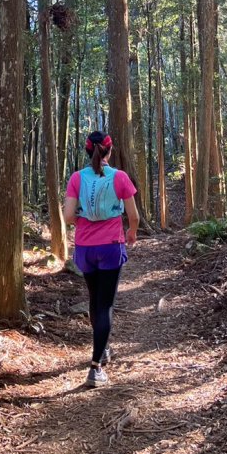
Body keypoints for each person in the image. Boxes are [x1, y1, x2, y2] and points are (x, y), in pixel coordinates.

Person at [63, 131, 138, 387]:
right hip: (110, 247)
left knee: (94, 300)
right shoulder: (120, 177)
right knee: (105, 304)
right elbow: (134, 215)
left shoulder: (76, 178)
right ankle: (95, 368)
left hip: (85, 247)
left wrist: (85, 221)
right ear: (109, 150)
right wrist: (131, 232)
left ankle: (101, 348)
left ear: (86, 151)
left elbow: (68, 216)